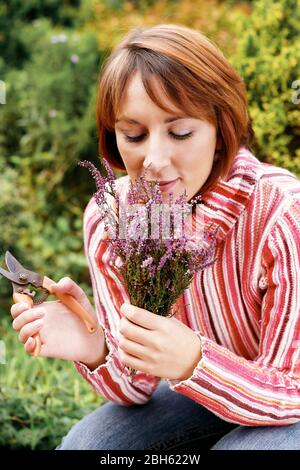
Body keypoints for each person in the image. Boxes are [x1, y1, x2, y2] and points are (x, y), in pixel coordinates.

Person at [10, 24, 300, 450]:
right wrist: (95, 348)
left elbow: (292, 389)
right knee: (89, 446)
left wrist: (195, 362)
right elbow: (136, 389)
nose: (154, 160)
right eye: (134, 135)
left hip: (286, 399)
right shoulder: (113, 221)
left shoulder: (283, 214)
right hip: (200, 393)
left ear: (221, 130)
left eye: (180, 132)